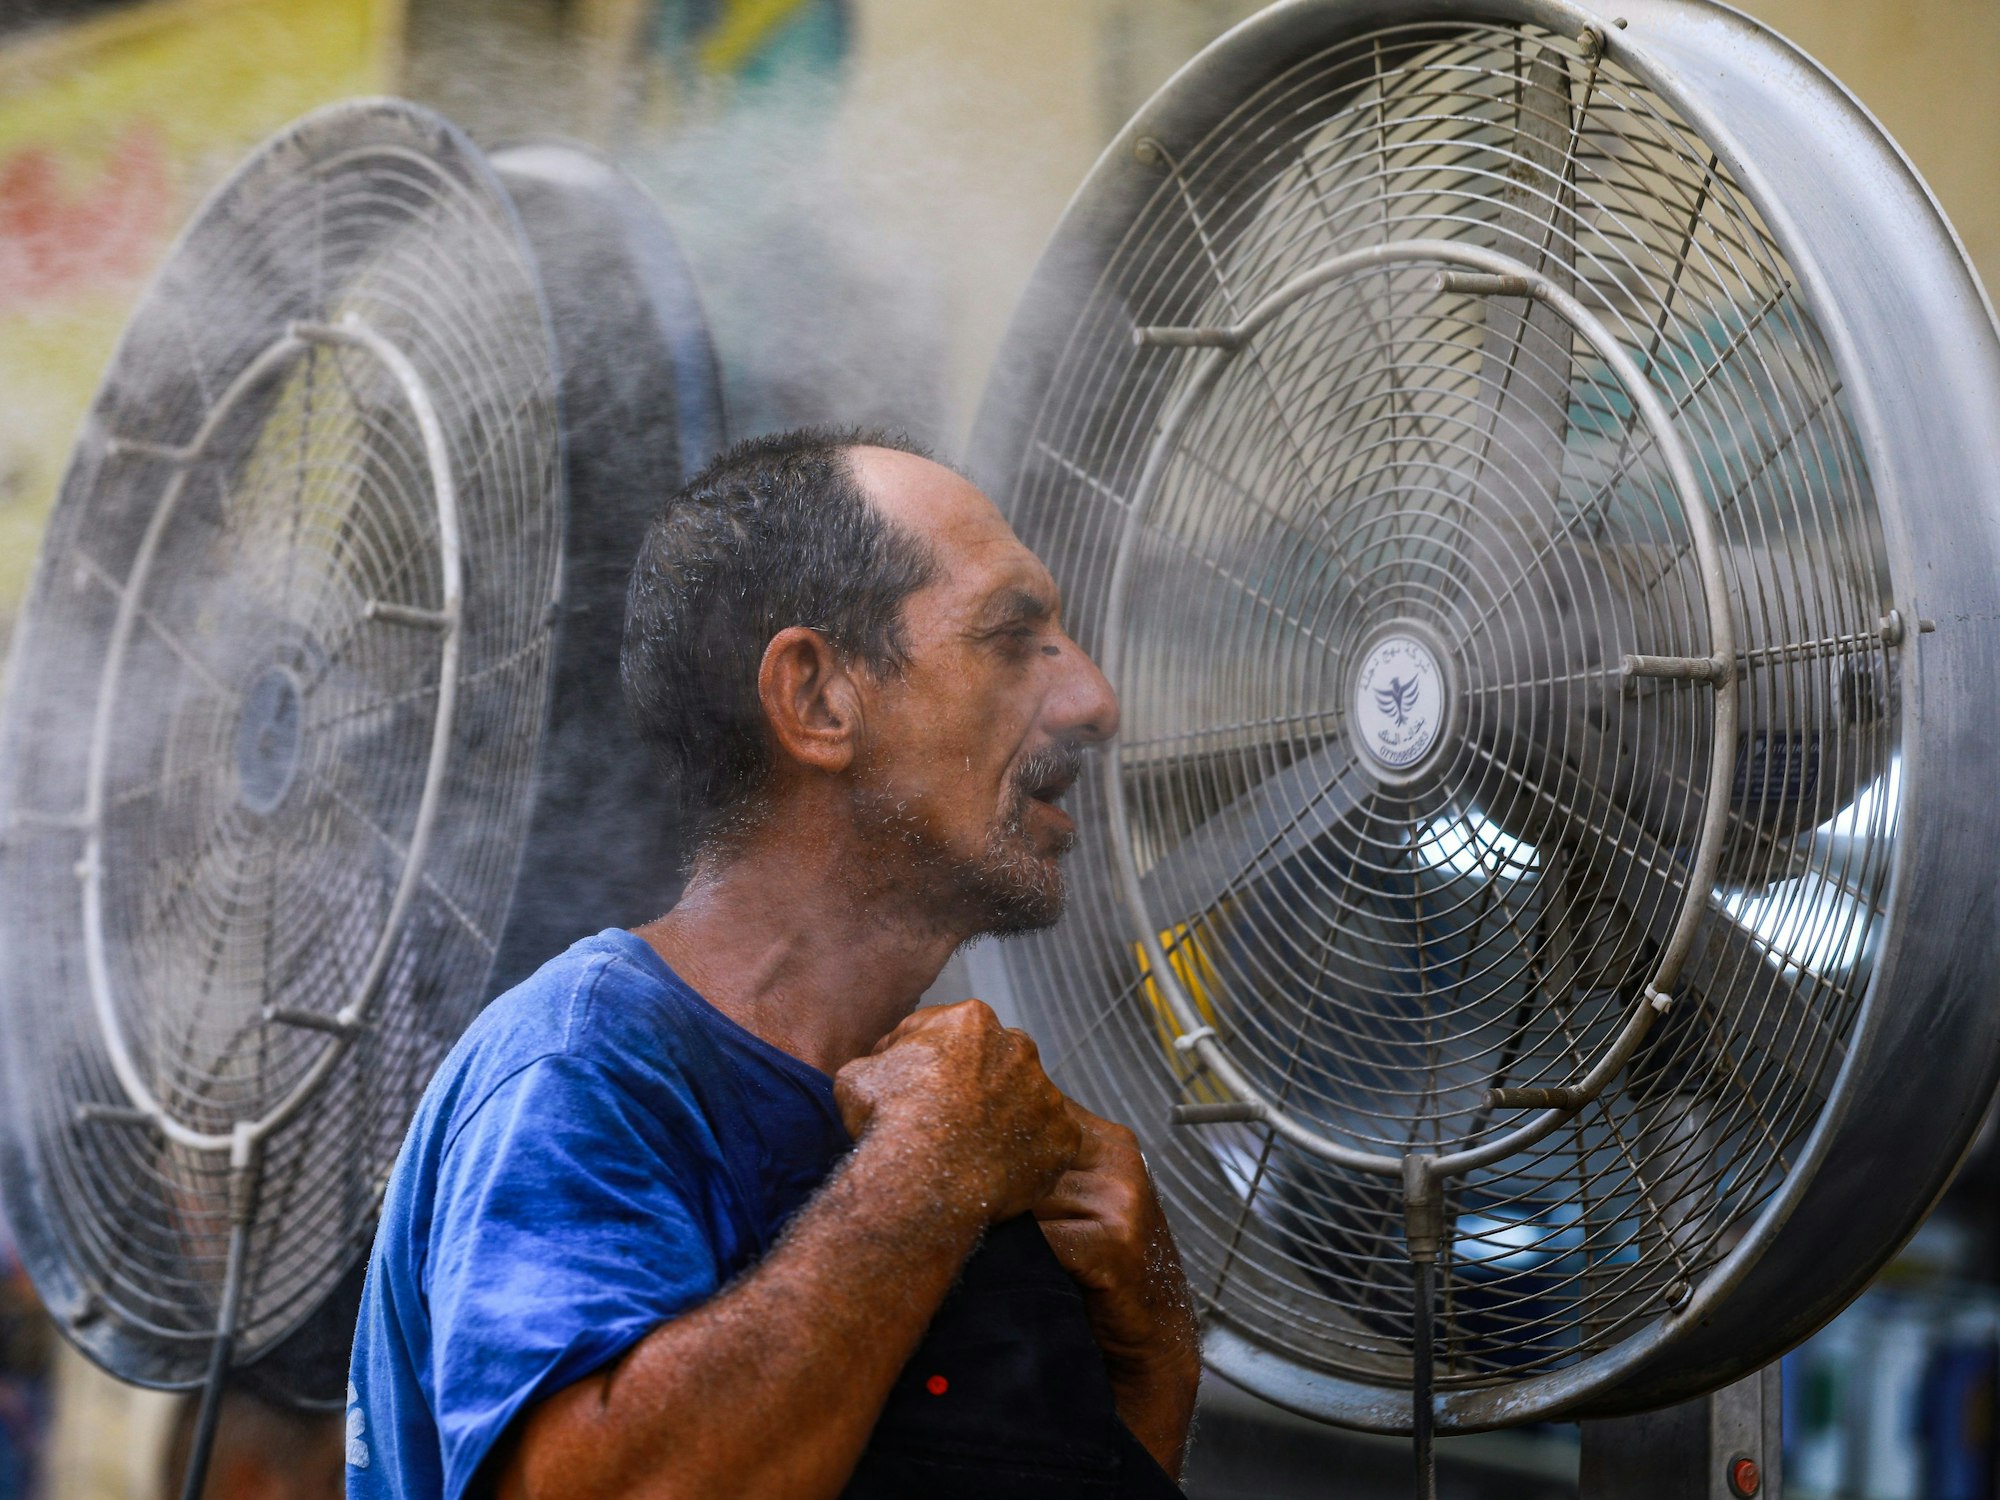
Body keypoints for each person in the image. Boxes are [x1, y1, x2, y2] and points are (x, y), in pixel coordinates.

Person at [346, 429, 1200, 1500]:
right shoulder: (582, 1069)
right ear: (816, 698)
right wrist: (927, 1172)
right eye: (1012, 638)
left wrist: (1155, 1357)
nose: (1094, 703)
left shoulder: (983, 1118)